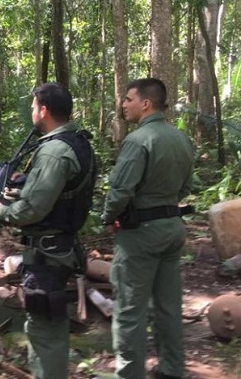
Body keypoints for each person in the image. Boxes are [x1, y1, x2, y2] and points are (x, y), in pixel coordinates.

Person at [0, 82, 96, 379]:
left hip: (48, 254)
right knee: (52, 323)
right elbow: (62, 190)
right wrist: (29, 179)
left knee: (43, 329)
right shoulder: (78, 141)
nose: (32, 112)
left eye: (34, 107)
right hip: (62, 247)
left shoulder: (53, 152)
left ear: (44, 110)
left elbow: (32, 210)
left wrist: (2, 211)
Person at [101, 78, 193, 379]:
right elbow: (186, 187)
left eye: (128, 99)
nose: (123, 105)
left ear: (145, 103)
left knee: (129, 309)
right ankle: (172, 369)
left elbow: (120, 190)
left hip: (140, 234)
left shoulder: (138, 140)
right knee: (168, 305)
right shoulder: (181, 139)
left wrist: (109, 217)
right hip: (172, 228)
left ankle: (129, 375)